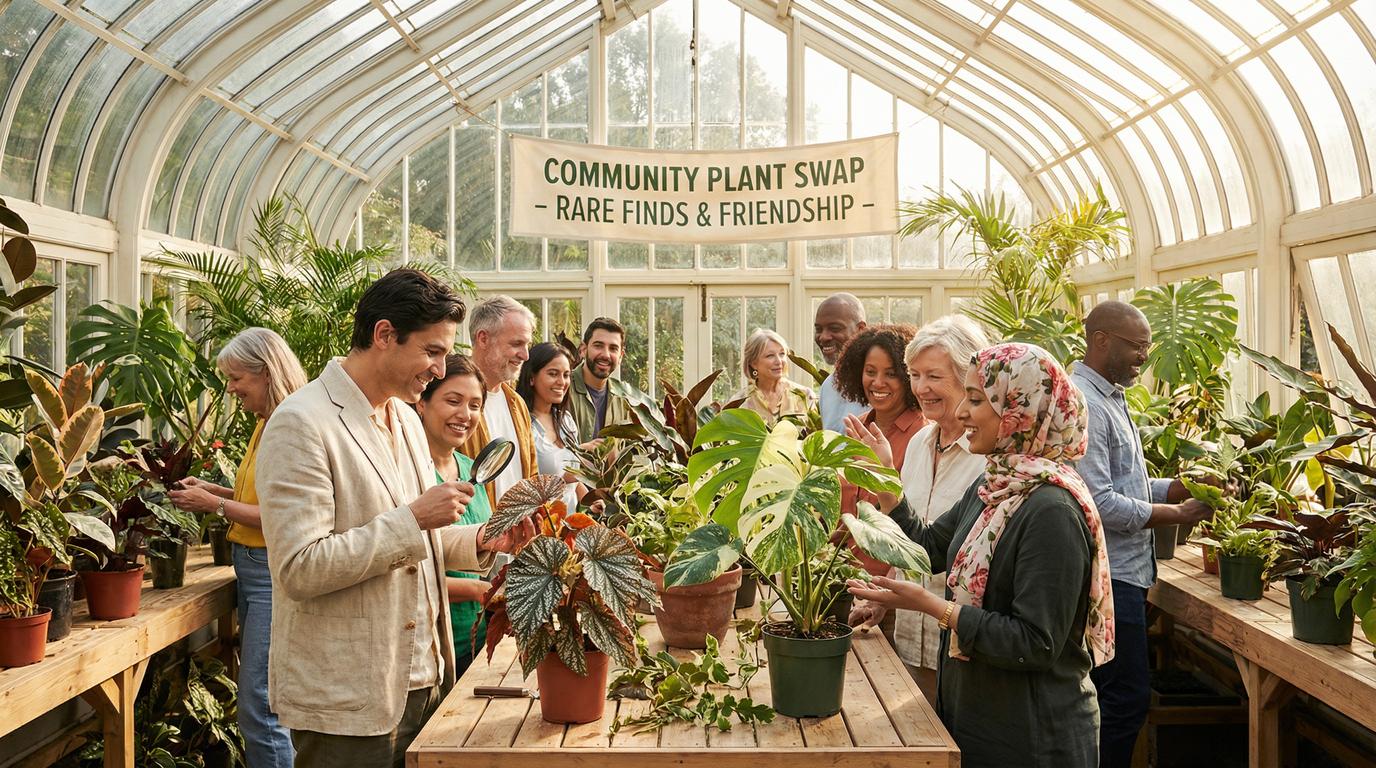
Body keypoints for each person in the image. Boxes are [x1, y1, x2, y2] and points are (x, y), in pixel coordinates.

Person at [257, 269, 533, 768]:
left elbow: (421, 537)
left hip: (422, 680)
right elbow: (301, 568)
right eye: (431, 351)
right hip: (348, 699)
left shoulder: (403, 416)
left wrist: (485, 538)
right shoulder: (302, 423)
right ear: (384, 335)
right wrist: (413, 518)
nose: (439, 367)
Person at [848, 342, 1114, 768]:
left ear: (1019, 411)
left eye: (977, 399)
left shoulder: (1052, 510)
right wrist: (885, 481)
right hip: (982, 719)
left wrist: (935, 607)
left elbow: (1035, 642)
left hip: (1033, 736)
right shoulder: (993, 486)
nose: (961, 413)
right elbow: (929, 548)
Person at [1073, 301, 1214, 768]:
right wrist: (1176, 511)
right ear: (1101, 340)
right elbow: (1099, 501)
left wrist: (1178, 485)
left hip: (1128, 574)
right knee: (1124, 698)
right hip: (1108, 580)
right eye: (1137, 346)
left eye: (1148, 347)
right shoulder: (1086, 403)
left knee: (1117, 694)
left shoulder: (1112, 397)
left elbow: (1124, 484)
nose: (1144, 356)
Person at [170, 327, 307, 768]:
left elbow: (286, 517)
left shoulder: (289, 424)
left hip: (270, 572)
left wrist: (215, 505)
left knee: (261, 708)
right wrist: (214, 488)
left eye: (236, 378)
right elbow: (265, 496)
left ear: (266, 373)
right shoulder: (266, 422)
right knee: (262, 702)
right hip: (251, 570)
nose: (230, 388)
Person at [846, 315, 988, 704]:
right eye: (915, 375)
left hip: (965, 650)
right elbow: (911, 543)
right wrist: (882, 596)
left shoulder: (991, 461)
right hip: (909, 642)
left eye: (934, 377)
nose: (921, 388)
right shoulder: (919, 445)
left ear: (969, 376)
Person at [413, 354, 493, 680]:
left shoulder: (472, 469)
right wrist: (478, 591)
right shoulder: (409, 473)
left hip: (477, 640)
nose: (465, 414)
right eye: (453, 400)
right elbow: (406, 571)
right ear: (422, 403)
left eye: (475, 405)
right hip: (430, 647)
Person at [833, 324, 925, 605]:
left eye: (890, 374)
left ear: (908, 378)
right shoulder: (857, 428)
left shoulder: (922, 436)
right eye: (870, 372)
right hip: (842, 588)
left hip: (889, 598)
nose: (877, 383)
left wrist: (884, 598)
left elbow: (914, 525)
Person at [460, 295, 538, 504]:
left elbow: (531, 476)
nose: (525, 355)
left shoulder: (516, 403)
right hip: (471, 533)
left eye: (527, 344)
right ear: (483, 338)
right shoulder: (453, 402)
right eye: (516, 343)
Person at [516, 342, 587, 509]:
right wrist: (567, 476)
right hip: (540, 524)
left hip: (569, 527)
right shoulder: (522, 424)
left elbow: (573, 485)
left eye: (566, 375)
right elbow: (523, 486)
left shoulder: (566, 421)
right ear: (532, 377)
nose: (561, 382)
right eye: (553, 374)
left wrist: (591, 501)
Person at [729, 328, 815, 426]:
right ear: (753, 363)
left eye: (782, 354)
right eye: (770, 356)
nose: (779, 361)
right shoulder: (739, 403)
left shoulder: (805, 396)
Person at [567, 317, 631, 442]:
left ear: (621, 356)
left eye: (613, 348)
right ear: (583, 349)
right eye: (598, 346)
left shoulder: (625, 399)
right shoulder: (562, 388)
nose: (606, 355)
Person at [814, 293, 868, 432]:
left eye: (835, 328)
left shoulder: (877, 385)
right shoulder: (828, 386)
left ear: (860, 329)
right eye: (818, 329)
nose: (823, 337)